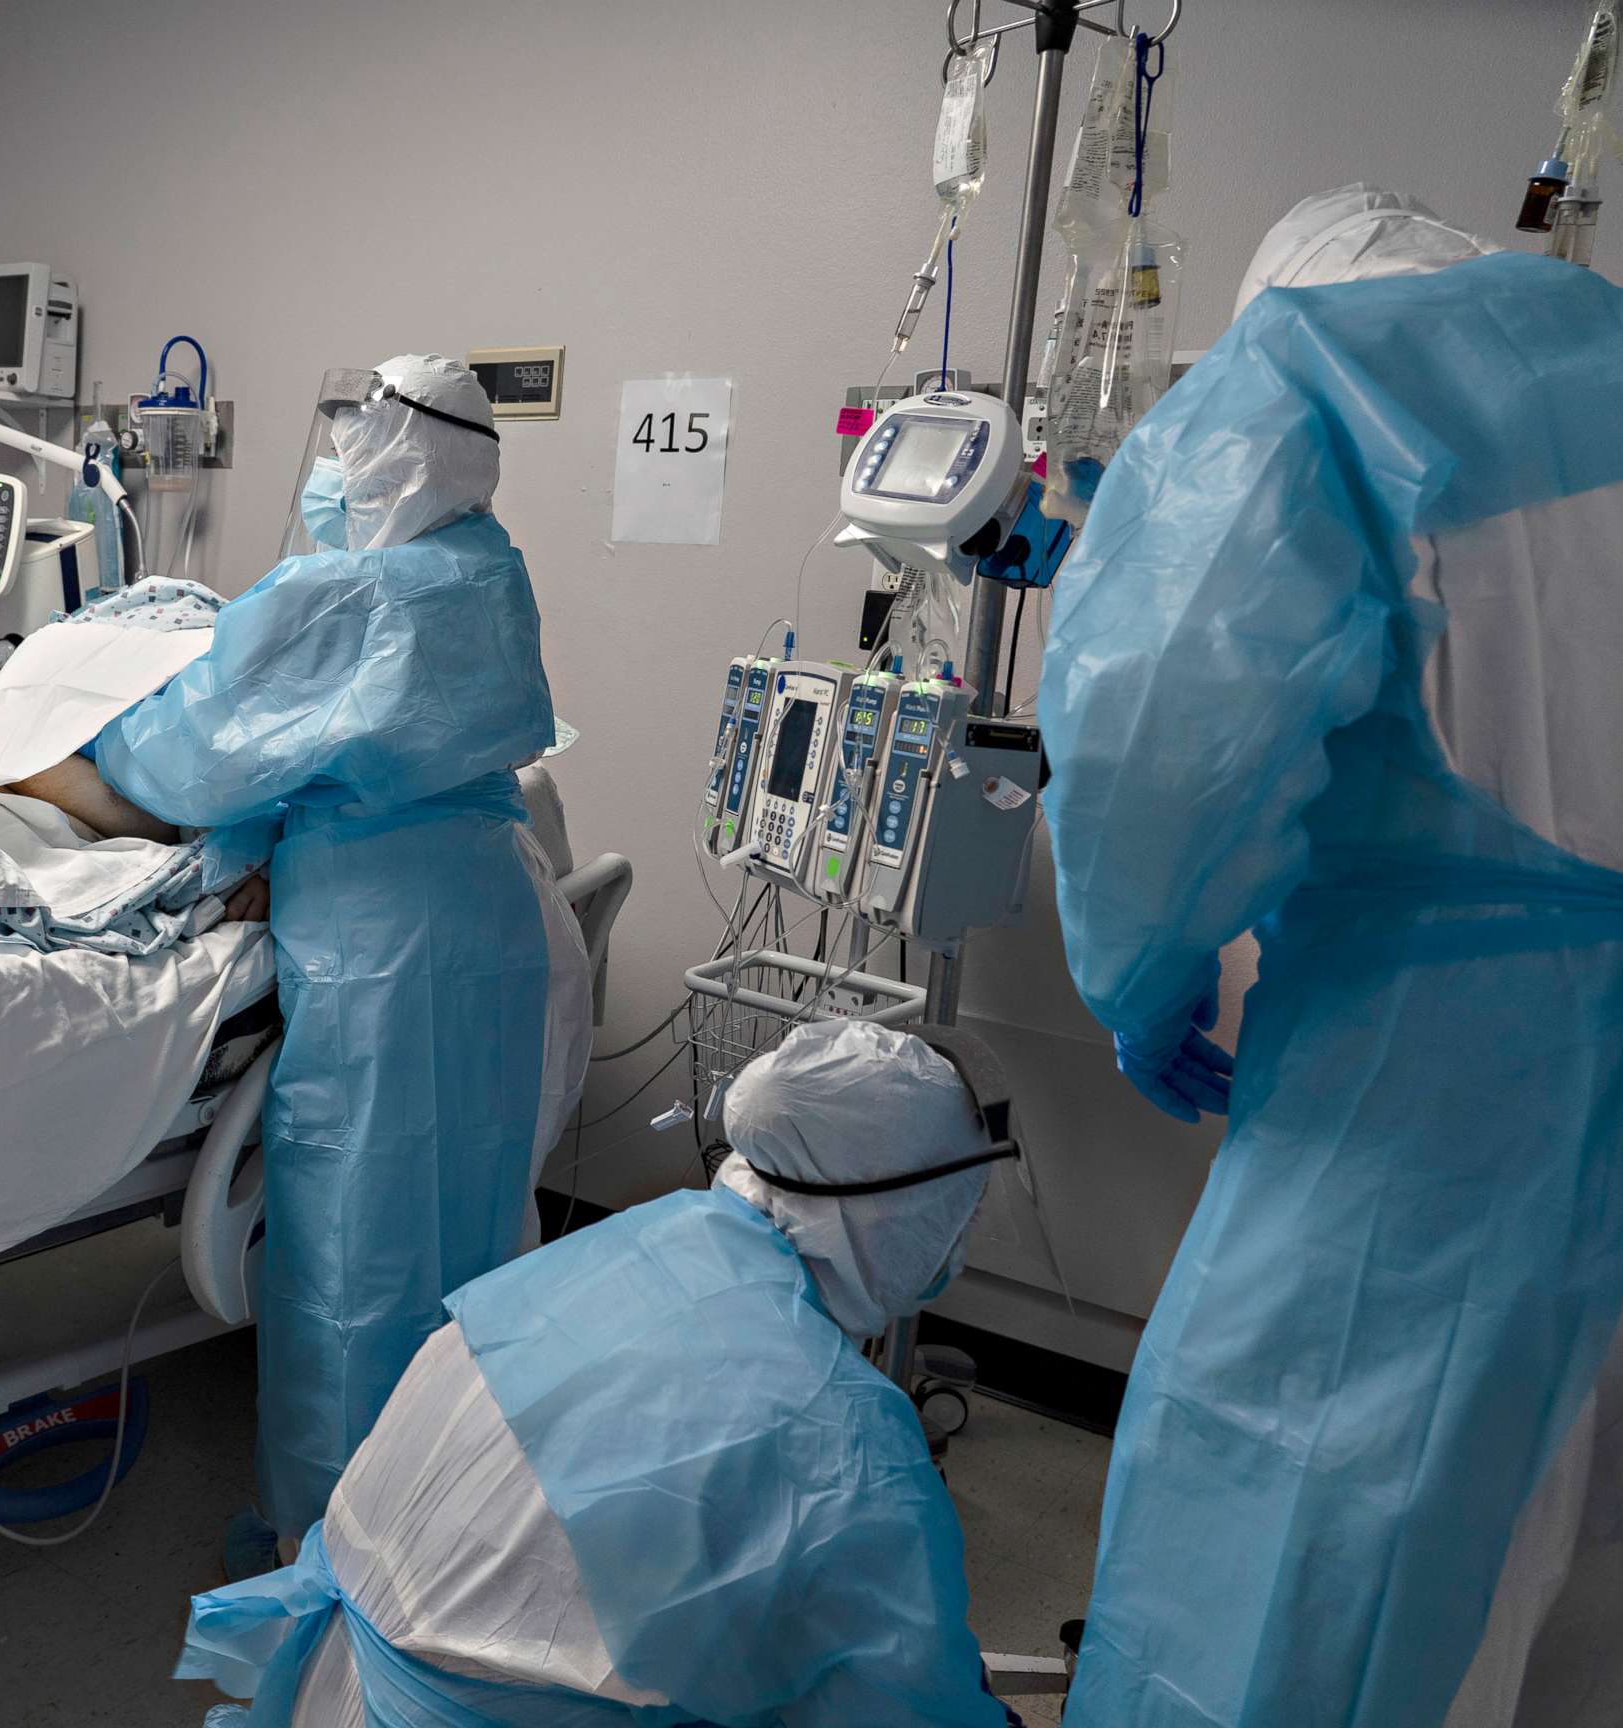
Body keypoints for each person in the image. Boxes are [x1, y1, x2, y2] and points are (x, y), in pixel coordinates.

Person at [1038, 185, 1623, 1727]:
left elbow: (1158, 741)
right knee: (1546, 1598)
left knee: (1290, 1575)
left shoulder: (1321, 381)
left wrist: (1146, 977)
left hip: (1422, 1133)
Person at [93, 355, 593, 1553]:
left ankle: (329, 1548)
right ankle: (448, 1520)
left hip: (375, 936)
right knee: (470, 1228)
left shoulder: (351, 595)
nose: (335, 466)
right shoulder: (493, 570)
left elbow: (193, 751)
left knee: (354, 1255)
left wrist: (86, 714)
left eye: (352, 442)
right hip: (488, 918)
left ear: (394, 457)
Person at [180, 1019, 1016, 1727]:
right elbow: (907, 1696)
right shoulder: (846, 1439)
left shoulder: (626, 1247)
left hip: (337, 1683)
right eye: (962, 1208)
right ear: (906, 1211)